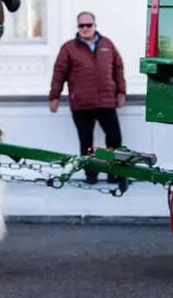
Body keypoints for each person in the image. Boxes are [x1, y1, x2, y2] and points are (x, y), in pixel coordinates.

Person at [49, 12, 127, 187]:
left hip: (106, 102)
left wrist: (121, 92)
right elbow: (58, 73)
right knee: (86, 142)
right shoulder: (68, 48)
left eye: (88, 25)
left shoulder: (107, 44)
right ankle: (90, 174)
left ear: (95, 25)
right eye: (81, 26)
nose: (85, 28)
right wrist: (54, 96)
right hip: (82, 104)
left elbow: (118, 69)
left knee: (114, 139)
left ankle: (113, 173)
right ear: (78, 28)